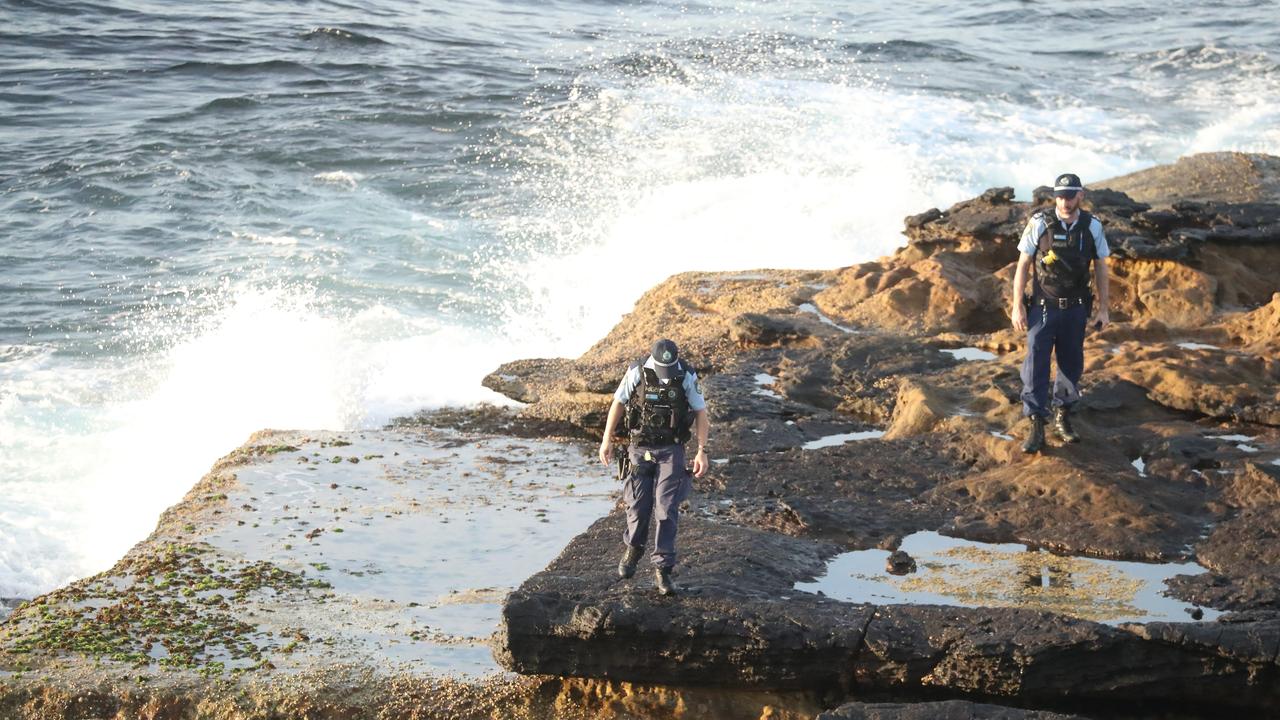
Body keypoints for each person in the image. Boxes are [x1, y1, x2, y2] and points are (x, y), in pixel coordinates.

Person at [598, 338, 709, 595]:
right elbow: (618, 402)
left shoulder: (686, 374)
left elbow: (701, 412)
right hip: (640, 449)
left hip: (672, 450)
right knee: (637, 505)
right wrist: (607, 440)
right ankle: (634, 548)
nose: (667, 376)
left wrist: (702, 452)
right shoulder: (637, 371)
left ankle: (663, 570)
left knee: (666, 508)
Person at [1010, 173, 1111, 454]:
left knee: (1071, 362)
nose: (1065, 201)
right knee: (1035, 363)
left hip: (1076, 308)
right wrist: (1017, 306)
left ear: (1081, 195)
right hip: (1043, 308)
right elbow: (1023, 264)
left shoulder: (1092, 226)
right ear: (1055, 196)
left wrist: (1103, 308)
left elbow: (1101, 266)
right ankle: (1035, 422)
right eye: (1060, 195)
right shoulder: (1040, 222)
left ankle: (1063, 415)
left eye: (1070, 195)